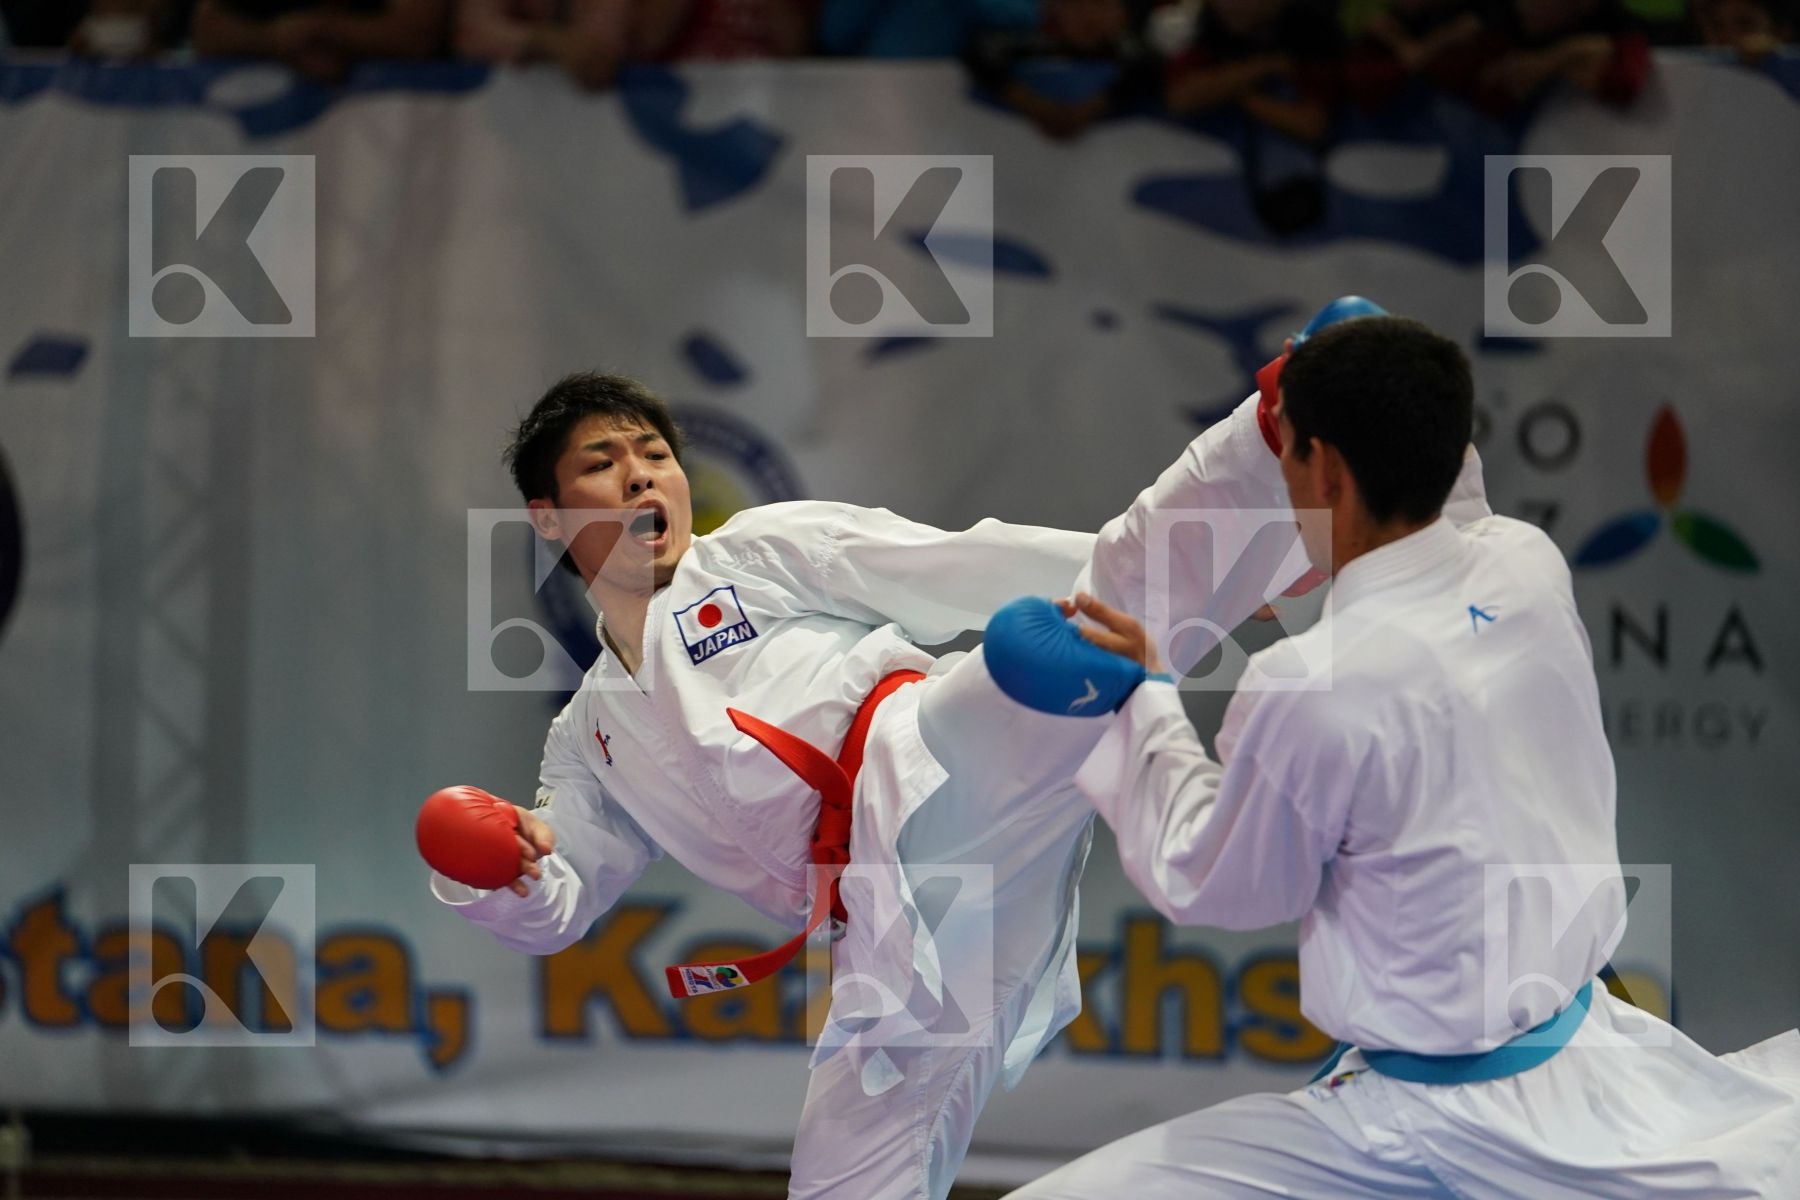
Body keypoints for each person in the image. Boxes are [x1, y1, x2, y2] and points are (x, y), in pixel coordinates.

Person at [989, 315, 1800, 1198]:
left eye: (1288, 451)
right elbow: (1421, 610)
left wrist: (1135, 696)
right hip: (1587, 1056)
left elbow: (1209, 876)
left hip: (1419, 1124)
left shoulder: (1308, 685)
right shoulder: (1527, 566)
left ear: (1326, 469)